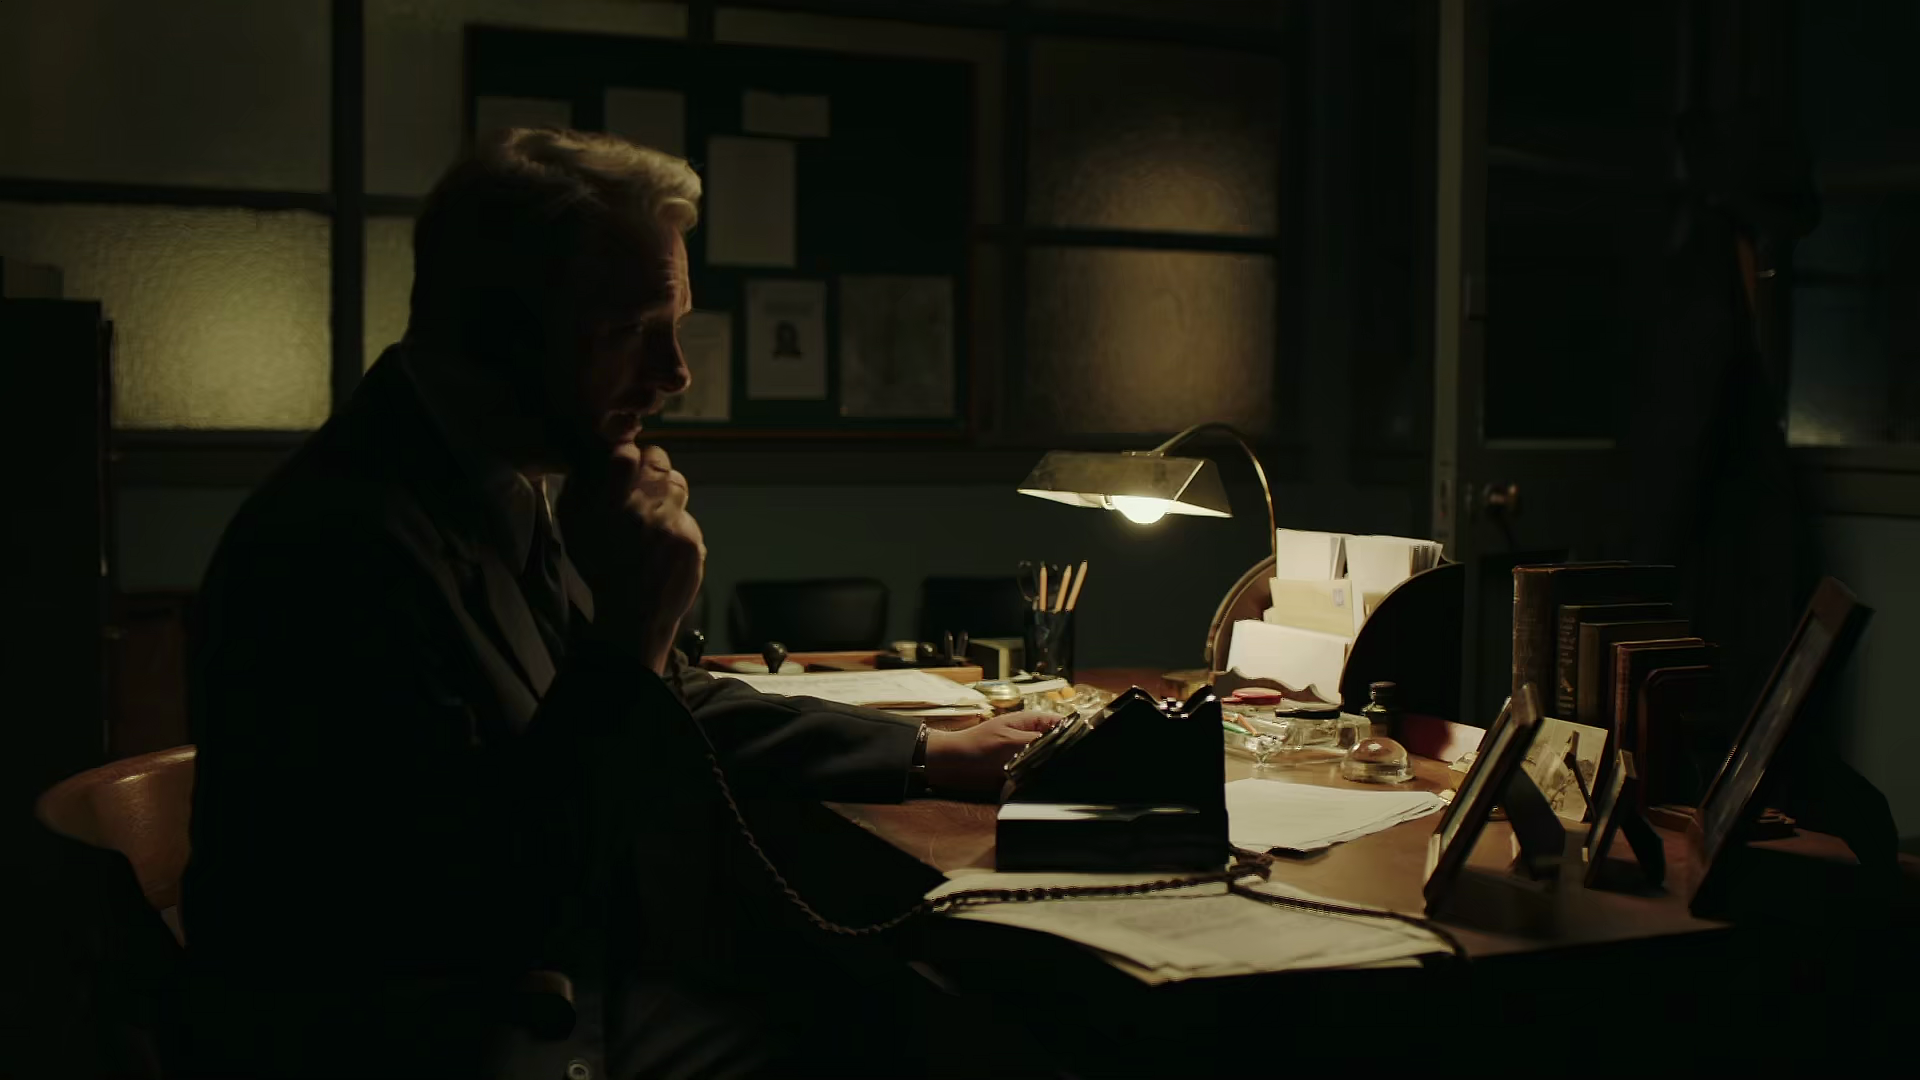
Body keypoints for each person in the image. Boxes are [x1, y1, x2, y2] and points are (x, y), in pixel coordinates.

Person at [181, 127, 1053, 1078]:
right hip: (411, 1037)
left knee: (899, 1010)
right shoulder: (340, 545)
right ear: (498, 330)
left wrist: (927, 752)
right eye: (634, 329)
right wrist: (634, 623)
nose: (676, 373)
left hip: (523, 993)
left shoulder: (488, 476)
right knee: (923, 1039)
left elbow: (666, 702)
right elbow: (496, 900)